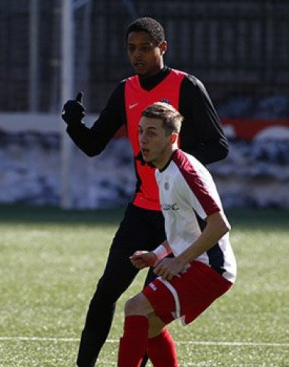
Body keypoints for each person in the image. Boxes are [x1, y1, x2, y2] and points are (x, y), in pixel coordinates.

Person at [61, 17, 229, 367]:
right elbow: (94, 145)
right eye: (131, 48)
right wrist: (74, 124)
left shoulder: (187, 86)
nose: (136, 55)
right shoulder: (126, 90)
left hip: (177, 217)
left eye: (144, 48)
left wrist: (175, 163)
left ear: (162, 48)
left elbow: (218, 146)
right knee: (107, 290)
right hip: (141, 211)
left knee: (146, 311)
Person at [117, 102, 236, 367]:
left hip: (211, 268)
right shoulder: (163, 170)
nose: (142, 140)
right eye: (140, 132)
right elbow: (184, 229)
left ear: (172, 138)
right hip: (199, 264)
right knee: (149, 327)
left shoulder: (186, 173)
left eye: (152, 133)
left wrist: (179, 260)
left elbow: (219, 225)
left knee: (135, 307)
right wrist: (157, 254)